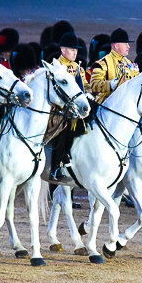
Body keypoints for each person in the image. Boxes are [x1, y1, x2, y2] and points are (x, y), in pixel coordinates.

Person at [50, 32, 90, 181]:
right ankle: (55, 167)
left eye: (76, 50)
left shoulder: (77, 67)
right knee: (63, 131)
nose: (75, 53)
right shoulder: (56, 66)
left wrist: (88, 94)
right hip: (60, 110)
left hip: (76, 108)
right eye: (72, 50)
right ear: (63, 50)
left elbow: (84, 86)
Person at [90, 28, 138, 103]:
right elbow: (94, 85)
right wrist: (110, 85)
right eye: (125, 44)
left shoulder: (130, 63)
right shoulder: (103, 63)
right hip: (107, 106)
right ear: (116, 46)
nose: (128, 46)